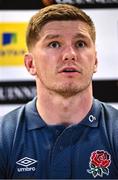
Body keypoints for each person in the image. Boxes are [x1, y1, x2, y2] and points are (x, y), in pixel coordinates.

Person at [0, 3, 118, 179]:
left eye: (80, 43)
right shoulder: (4, 137)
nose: (70, 54)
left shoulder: (115, 131)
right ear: (31, 64)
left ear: (95, 62)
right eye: (54, 44)